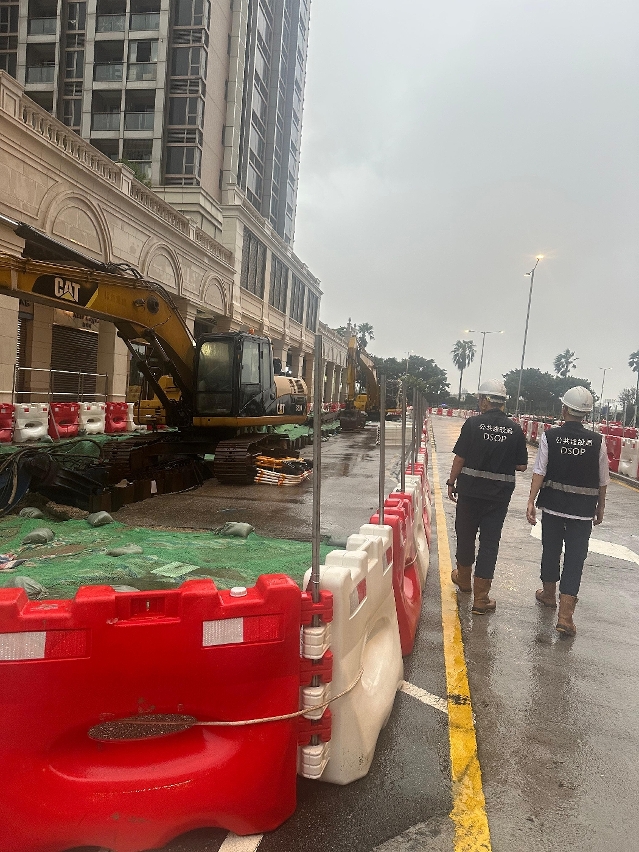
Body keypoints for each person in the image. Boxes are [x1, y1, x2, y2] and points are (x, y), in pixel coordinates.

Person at [526, 386, 608, 636]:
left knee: (550, 550)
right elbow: (603, 478)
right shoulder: (598, 441)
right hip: (582, 511)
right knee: (575, 558)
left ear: (564, 409)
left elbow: (539, 471)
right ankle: (565, 617)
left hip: (553, 506)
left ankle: (548, 594)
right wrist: (600, 506)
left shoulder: (550, 437)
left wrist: (531, 501)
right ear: (586, 414)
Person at [447, 379, 528, 614]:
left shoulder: (473, 424)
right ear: (502, 402)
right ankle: (481, 599)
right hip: (498, 497)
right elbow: (522, 465)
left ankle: (464, 580)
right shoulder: (515, 429)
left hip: (470, 492)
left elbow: (460, 458)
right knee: (489, 543)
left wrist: (451, 482)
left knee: (465, 535)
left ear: (485, 400)